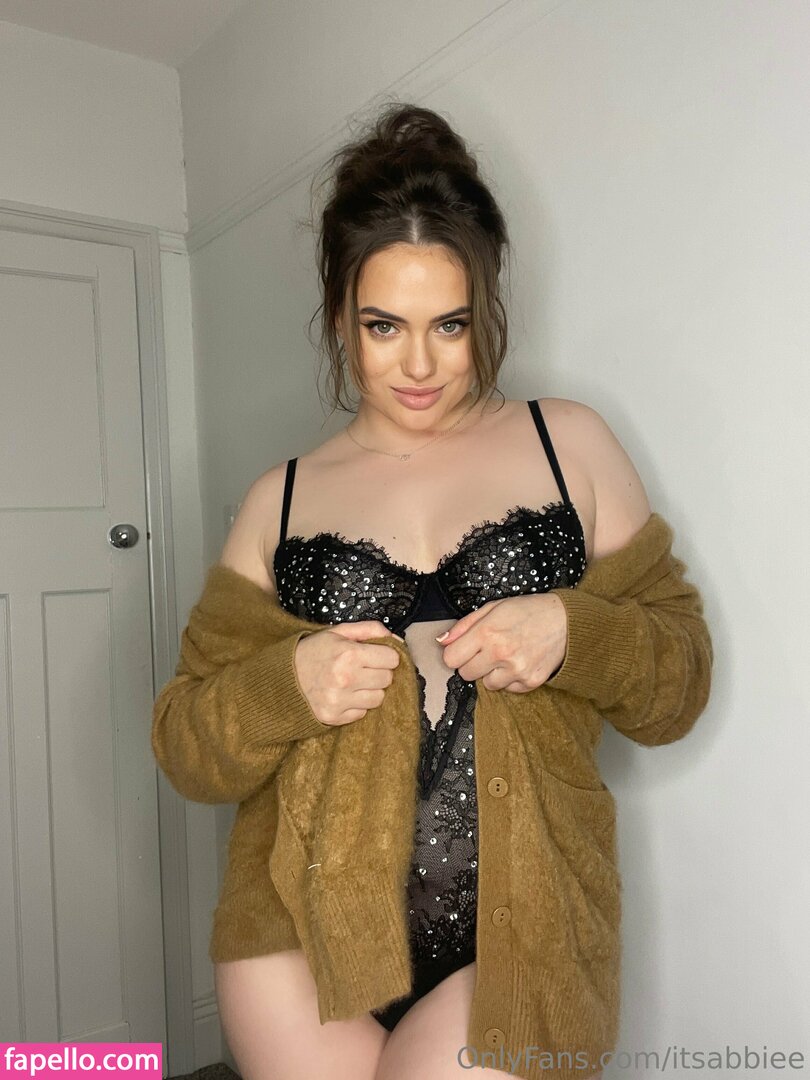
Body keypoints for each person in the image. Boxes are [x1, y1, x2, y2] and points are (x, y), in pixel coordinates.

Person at [155, 103, 710, 1080]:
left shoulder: (568, 443)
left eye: (450, 325)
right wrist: (288, 686)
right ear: (339, 315)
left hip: (528, 933)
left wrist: (573, 630)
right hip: (297, 928)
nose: (419, 365)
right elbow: (187, 745)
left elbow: (679, 686)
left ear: (485, 307)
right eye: (384, 327)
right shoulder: (280, 499)